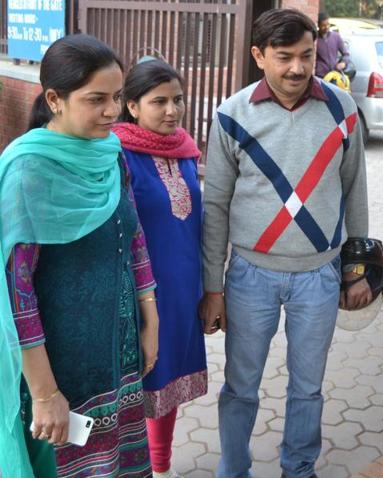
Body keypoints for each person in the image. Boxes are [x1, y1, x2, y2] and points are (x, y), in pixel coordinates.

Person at [200, 8, 371, 478]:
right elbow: (214, 205)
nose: (298, 68)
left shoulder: (343, 109)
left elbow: (356, 189)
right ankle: (233, 469)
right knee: (240, 387)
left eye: (307, 55)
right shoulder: (231, 115)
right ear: (259, 56)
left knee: (308, 388)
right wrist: (212, 286)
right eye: (284, 57)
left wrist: (358, 267)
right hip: (249, 276)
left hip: (320, 275)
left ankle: (299, 468)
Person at [0, 34, 159, 478]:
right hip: (60, 368)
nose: (112, 111)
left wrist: (151, 316)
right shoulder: (29, 172)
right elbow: (18, 292)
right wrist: (45, 392)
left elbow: (134, 236)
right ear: (54, 99)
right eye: (96, 100)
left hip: (117, 349)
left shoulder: (111, 155)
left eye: (117, 97)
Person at [113, 59, 208, 478]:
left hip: (183, 287)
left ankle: (162, 467)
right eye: (160, 102)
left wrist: (208, 288)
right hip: (137, 290)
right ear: (132, 105)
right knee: (135, 382)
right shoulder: (116, 155)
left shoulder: (185, 151)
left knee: (167, 380)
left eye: (178, 100)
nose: (173, 110)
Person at [315, 12, 350, 78]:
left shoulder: (336, 37)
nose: (326, 27)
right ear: (318, 25)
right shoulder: (315, 39)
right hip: (320, 77)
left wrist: (344, 63)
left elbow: (346, 54)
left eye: (328, 24)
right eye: (323, 25)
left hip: (334, 76)